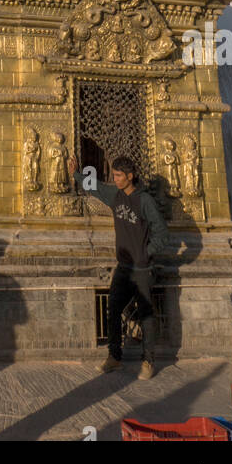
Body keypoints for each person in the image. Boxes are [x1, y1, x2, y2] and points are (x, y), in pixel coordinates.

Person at [70, 153, 169, 379]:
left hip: (142, 268)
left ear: (130, 176)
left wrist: (146, 253)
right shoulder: (115, 195)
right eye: (114, 175)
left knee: (145, 314)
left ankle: (148, 361)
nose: (114, 179)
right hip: (124, 267)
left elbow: (162, 232)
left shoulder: (145, 201)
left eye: (118, 175)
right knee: (113, 308)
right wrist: (75, 173)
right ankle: (114, 356)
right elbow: (94, 187)